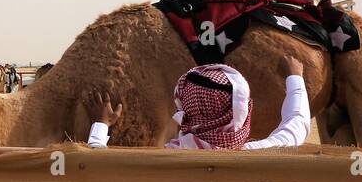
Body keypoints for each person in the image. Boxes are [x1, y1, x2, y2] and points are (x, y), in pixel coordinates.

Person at [85, 55, 310, 150]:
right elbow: (297, 124)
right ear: (242, 110)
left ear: (186, 109)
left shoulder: (160, 161)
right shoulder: (256, 154)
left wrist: (101, 123)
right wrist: (295, 76)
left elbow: (97, 165)